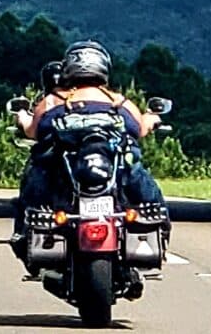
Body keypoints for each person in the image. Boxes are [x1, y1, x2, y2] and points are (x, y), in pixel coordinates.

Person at [11, 42, 167, 259]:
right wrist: (152, 117)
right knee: (142, 181)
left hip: (65, 181)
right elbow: (140, 128)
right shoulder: (117, 101)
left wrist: (21, 117)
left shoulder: (53, 101)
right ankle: (162, 229)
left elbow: (33, 131)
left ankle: (22, 234)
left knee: (35, 179)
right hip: (114, 176)